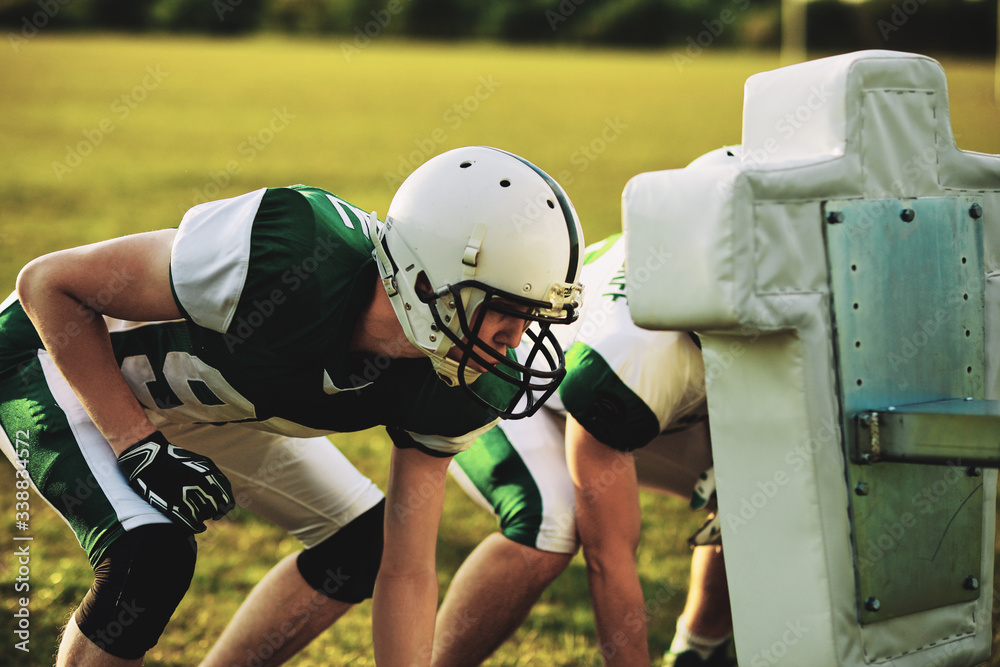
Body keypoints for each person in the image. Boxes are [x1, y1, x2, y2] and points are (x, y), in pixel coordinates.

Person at [0, 145, 584, 666]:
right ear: (427, 282)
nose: (515, 337)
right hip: (53, 362)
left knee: (362, 542)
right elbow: (48, 284)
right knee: (148, 559)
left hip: (212, 403)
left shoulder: (456, 373)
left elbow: (406, 570)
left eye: (533, 315)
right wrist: (138, 446)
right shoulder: (295, 251)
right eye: (505, 308)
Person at [432, 232, 736, 667]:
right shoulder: (633, 349)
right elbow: (609, 554)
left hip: (644, 388)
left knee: (753, 483)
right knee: (550, 521)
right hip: (519, 384)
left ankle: (700, 653)